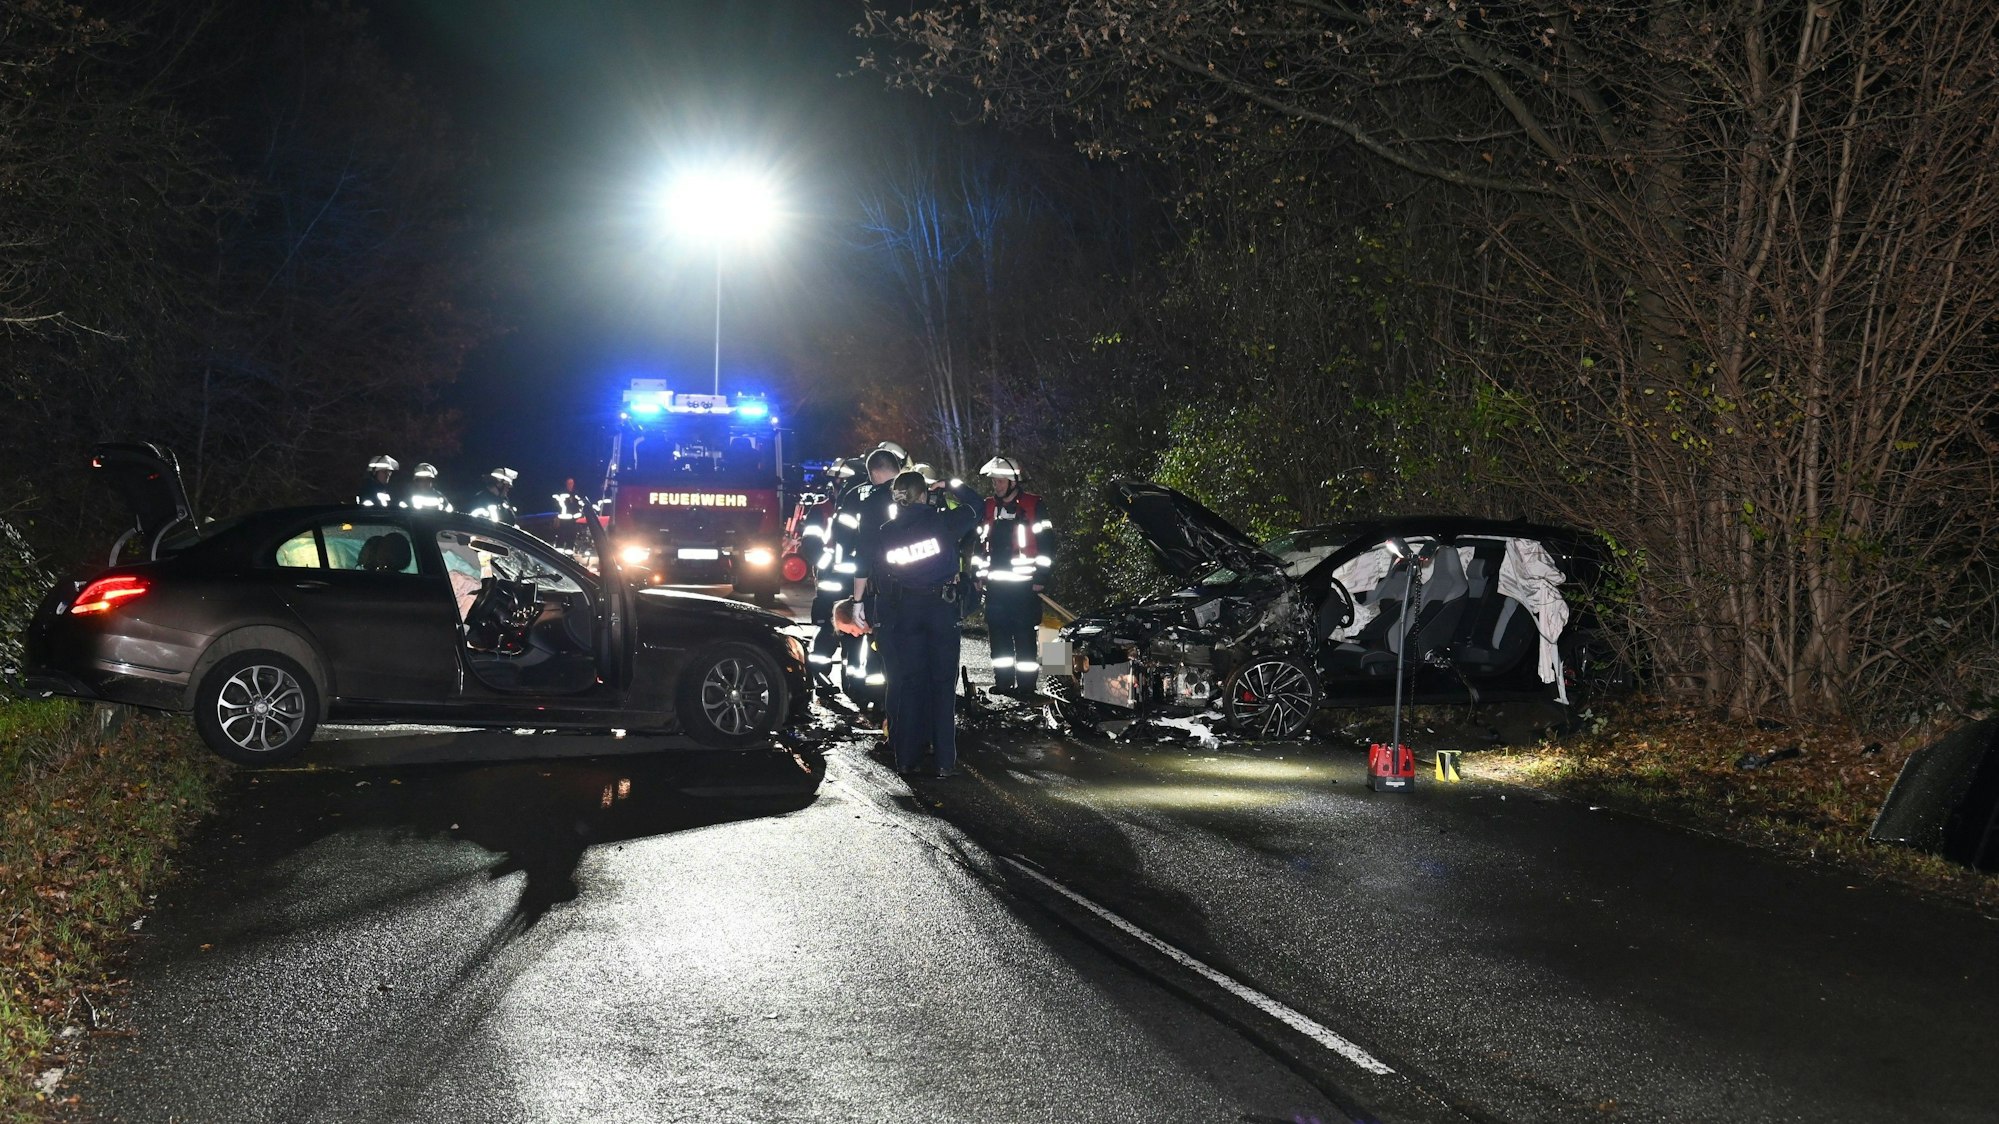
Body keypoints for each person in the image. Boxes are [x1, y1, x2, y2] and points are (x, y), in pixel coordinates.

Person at [852, 469, 982, 776]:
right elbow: (977, 505)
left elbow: (874, 570)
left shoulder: (886, 531)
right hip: (941, 610)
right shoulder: (944, 522)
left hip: (904, 611)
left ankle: (907, 760)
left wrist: (862, 605)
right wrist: (950, 485)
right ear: (924, 494)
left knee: (909, 684)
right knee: (942, 686)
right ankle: (944, 763)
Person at [828, 447, 903, 709]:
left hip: (878, 585)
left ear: (873, 473)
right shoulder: (921, 492)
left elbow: (857, 545)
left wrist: (857, 597)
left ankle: (882, 703)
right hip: (920, 588)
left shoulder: (867, 499)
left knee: (878, 645)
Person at [975, 455, 1055, 697]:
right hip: (996, 587)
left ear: (1013, 482)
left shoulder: (1033, 505)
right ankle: (1003, 683)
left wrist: (1041, 577)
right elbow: (980, 546)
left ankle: (1027, 687)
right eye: (995, 482)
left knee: (1024, 636)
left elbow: (1047, 544)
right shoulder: (989, 507)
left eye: (1000, 481)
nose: (996, 486)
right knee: (998, 635)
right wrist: (978, 576)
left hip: (1024, 586)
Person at [552, 477, 588, 551]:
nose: (570, 485)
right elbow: (558, 506)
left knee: (571, 535)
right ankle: (559, 550)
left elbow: (578, 505)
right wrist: (557, 518)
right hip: (563, 519)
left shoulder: (576, 494)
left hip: (573, 519)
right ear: (566, 484)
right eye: (569, 483)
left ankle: (569, 551)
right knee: (561, 535)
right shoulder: (562, 493)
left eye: (571, 483)